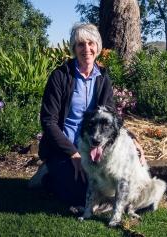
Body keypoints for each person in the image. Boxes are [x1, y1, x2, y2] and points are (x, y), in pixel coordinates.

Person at [29, 23, 145, 206]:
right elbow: (48, 121)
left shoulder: (102, 78)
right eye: (80, 44)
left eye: (91, 43)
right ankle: (47, 175)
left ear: (97, 47)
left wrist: (132, 139)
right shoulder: (60, 76)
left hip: (92, 148)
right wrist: (73, 154)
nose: (87, 49)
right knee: (80, 195)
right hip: (64, 149)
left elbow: (110, 117)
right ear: (74, 48)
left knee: (110, 187)